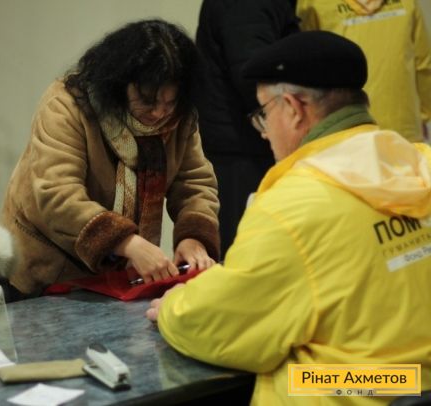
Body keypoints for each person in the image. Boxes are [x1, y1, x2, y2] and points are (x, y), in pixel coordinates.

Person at [146, 31, 431, 405]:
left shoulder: (291, 206)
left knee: (287, 374)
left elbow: (226, 324)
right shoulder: (421, 162)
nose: (265, 134)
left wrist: (175, 307)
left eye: (264, 114)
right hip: (416, 383)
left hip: (364, 390)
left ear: (294, 108)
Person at [2, 19, 220, 298]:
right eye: (147, 100)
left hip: (118, 275)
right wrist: (127, 243)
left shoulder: (180, 117)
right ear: (119, 83)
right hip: (48, 268)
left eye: (170, 102)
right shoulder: (67, 104)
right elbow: (57, 194)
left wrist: (193, 238)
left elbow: (195, 185)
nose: (158, 113)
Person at [193, 0, 299, 253]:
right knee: (251, 251)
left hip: (243, 146)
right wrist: (295, 126)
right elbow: (255, 76)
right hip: (244, 151)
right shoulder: (247, 5)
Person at [296, 0, 431, 143]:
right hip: (404, 129)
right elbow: (423, 63)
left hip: (347, 131)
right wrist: (423, 115)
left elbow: (308, 70)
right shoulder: (407, 2)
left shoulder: (312, 4)